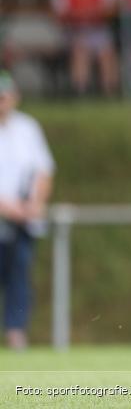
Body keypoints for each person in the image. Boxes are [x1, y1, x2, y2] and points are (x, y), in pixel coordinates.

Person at [0, 71, 54, 349]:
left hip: (23, 221)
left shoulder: (28, 127)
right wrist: (7, 207)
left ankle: (15, 333)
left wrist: (34, 203)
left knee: (19, 276)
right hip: (5, 215)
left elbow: (44, 170)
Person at [50, 0, 118, 96]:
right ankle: (81, 91)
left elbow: (110, 8)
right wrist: (77, 15)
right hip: (74, 31)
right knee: (80, 49)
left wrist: (93, 12)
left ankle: (110, 91)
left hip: (97, 30)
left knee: (106, 51)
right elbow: (59, 13)